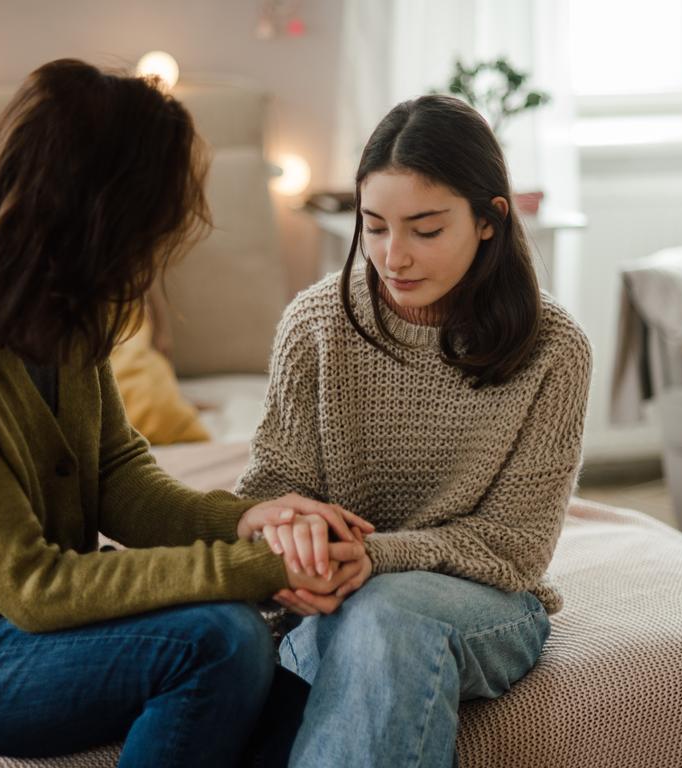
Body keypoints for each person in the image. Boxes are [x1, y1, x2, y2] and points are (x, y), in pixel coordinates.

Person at [0, 59, 375, 767]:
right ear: (91, 213)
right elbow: (35, 587)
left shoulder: (66, 300)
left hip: (24, 632)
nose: (147, 257)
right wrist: (254, 568)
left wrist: (243, 519)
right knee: (220, 641)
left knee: (310, 695)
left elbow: (116, 475)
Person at [236, 94, 593, 768]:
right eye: (373, 228)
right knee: (355, 622)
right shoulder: (316, 326)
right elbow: (270, 492)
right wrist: (298, 542)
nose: (393, 256)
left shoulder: (554, 348)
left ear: (491, 220)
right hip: (333, 595)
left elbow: (515, 549)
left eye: (425, 230)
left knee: (386, 616)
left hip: (487, 603)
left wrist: (376, 558)